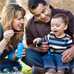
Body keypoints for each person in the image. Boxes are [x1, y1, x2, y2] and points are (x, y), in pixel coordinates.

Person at [25, 0, 74, 74]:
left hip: (67, 56)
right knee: (27, 53)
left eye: (43, 11)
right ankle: (56, 70)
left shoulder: (65, 15)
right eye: (37, 15)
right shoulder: (30, 25)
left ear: (47, 5)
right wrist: (38, 48)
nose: (43, 16)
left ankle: (44, 70)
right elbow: (30, 45)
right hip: (48, 57)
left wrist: (73, 49)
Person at [0, 3, 26, 72]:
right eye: (19, 19)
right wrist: (5, 40)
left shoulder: (18, 32)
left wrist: (16, 55)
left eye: (23, 18)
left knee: (13, 65)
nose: (22, 22)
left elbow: (10, 57)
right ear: (10, 19)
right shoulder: (0, 28)